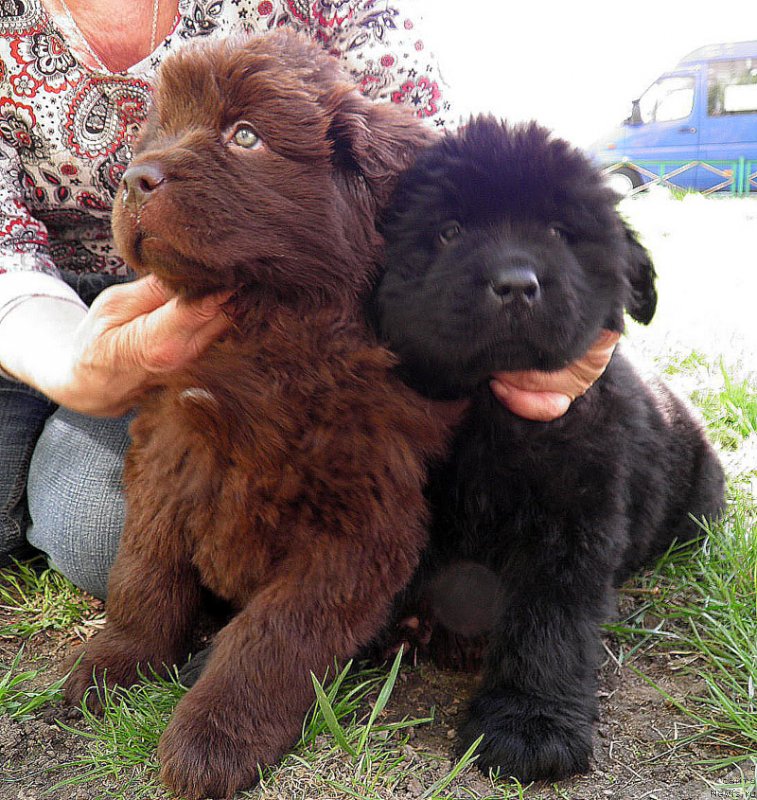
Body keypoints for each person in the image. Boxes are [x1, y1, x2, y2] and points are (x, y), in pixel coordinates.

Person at [0, 0, 618, 599]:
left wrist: (572, 310)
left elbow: (451, 169)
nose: (148, 166)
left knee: (96, 528)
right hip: (40, 300)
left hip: (279, 309)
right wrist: (70, 365)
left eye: (242, 135)